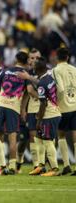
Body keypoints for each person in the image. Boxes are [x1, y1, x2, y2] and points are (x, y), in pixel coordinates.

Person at [0, 51, 29, 174]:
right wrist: (23, 109)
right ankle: (12, 166)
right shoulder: (25, 74)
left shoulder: (5, 70)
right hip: (13, 107)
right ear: (26, 62)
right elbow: (29, 91)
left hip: (0, 104)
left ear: (16, 59)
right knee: (12, 138)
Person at [33, 57, 61, 177]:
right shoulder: (50, 78)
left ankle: (54, 168)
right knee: (38, 138)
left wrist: (39, 119)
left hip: (49, 115)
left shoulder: (41, 83)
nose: (33, 67)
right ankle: (41, 165)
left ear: (37, 69)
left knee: (48, 141)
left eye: (34, 66)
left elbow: (43, 103)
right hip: (54, 112)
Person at [51, 47, 76, 176]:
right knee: (75, 136)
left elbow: (60, 89)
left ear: (56, 57)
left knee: (61, 135)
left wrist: (56, 102)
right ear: (68, 57)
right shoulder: (74, 69)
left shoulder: (55, 70)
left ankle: (66, 165)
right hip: (75, 106)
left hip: (64, 107)